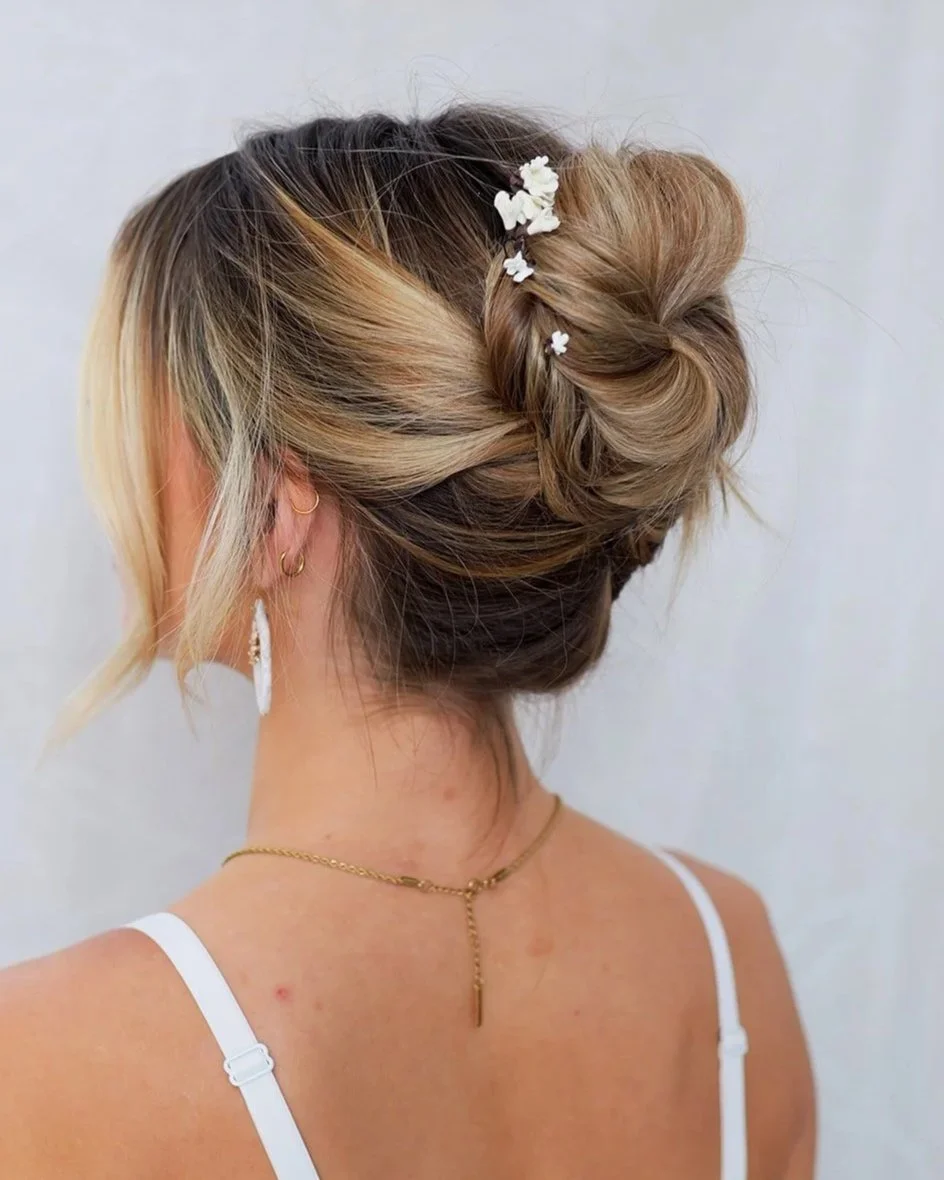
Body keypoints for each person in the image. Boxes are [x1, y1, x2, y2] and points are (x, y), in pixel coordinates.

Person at [0, 104, 815, 1179]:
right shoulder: (726, 958)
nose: (111, 496)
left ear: (275, 513)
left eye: (140, 417)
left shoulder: (53, 1058)